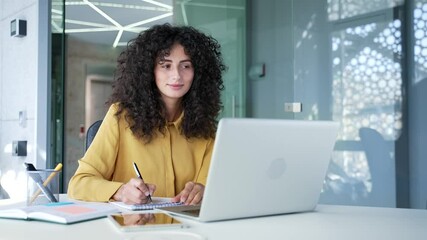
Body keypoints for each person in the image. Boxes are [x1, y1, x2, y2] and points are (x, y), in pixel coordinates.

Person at [68, 23, 226, 205]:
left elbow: (212, 190)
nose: (176, 76)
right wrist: (120, 191)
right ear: (149, 71)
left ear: (198, 73)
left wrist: (203, 191)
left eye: (186, 66)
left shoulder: (207, 131)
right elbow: (78, 184)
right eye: (166, 66)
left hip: (186, 232)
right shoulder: (120, 117)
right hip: (132, 231)